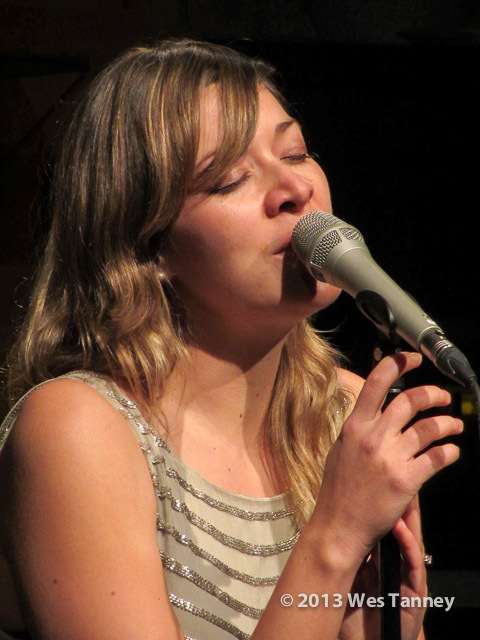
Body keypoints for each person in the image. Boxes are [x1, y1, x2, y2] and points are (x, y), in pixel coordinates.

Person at [0, 39, 462, 640]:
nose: (294, 188)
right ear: (149, 246)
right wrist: (335, 538)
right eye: (228, 180)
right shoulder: (77, 428)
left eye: (295, 152)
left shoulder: (346, 415)